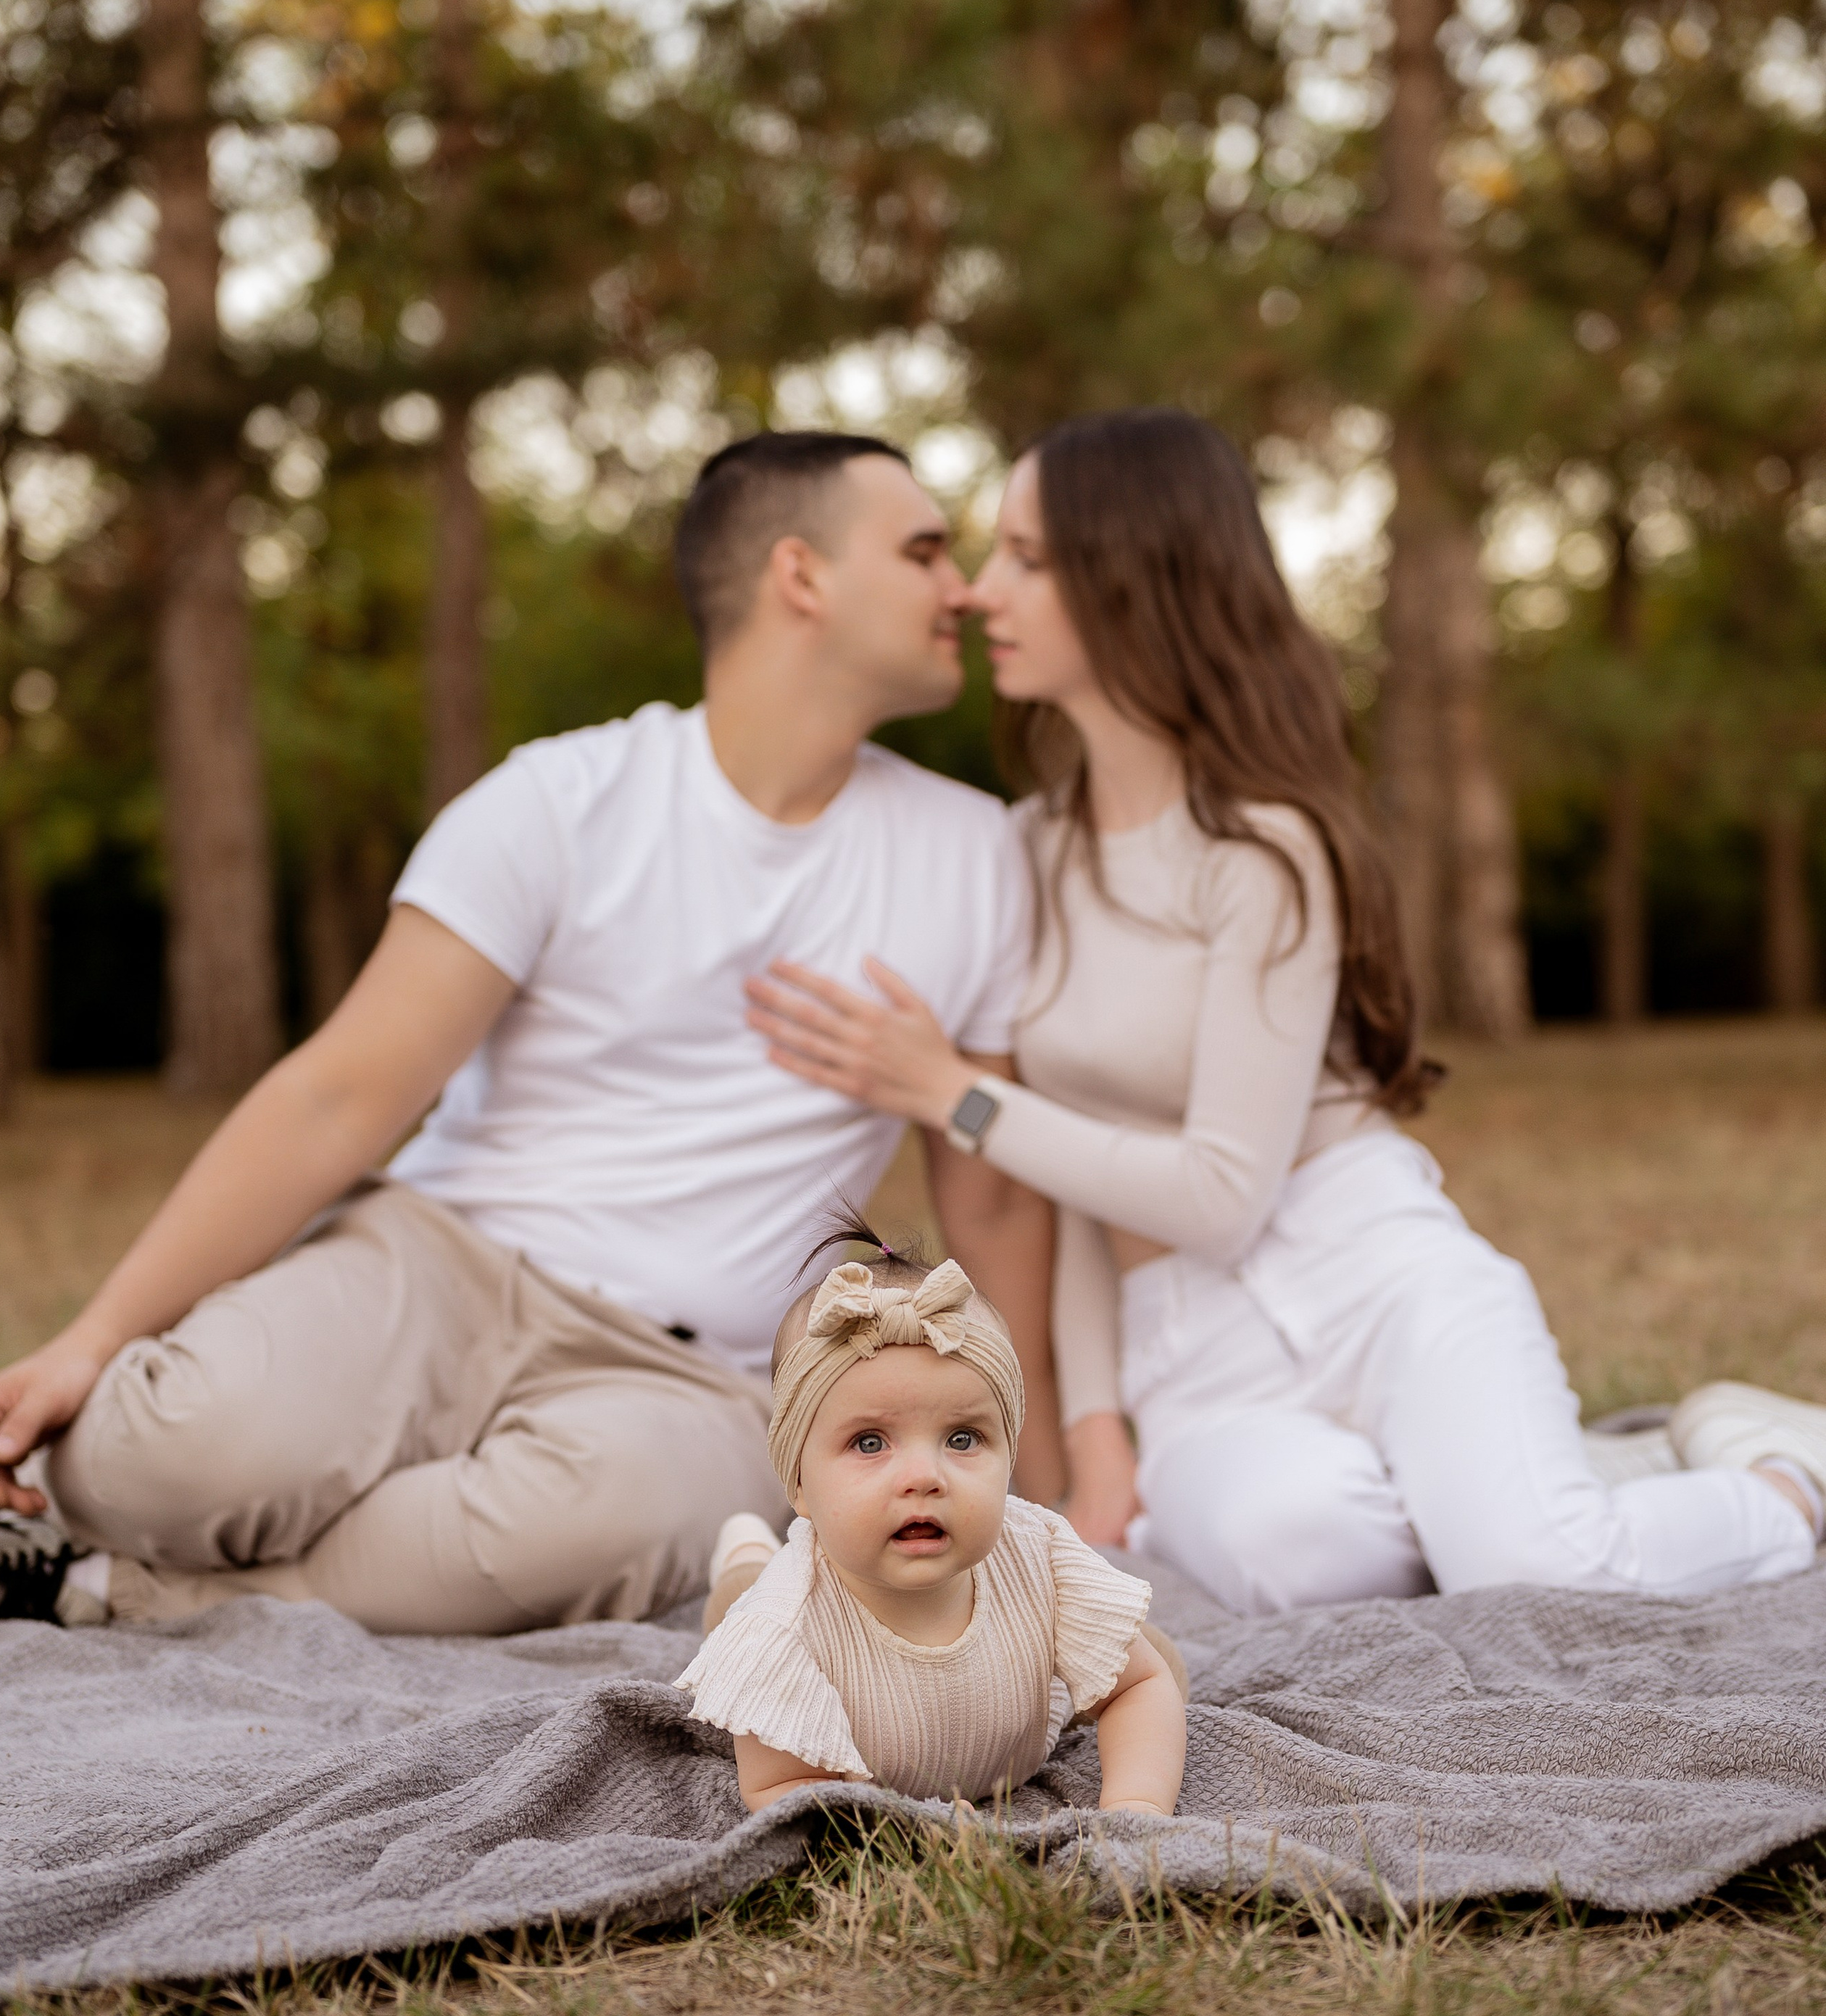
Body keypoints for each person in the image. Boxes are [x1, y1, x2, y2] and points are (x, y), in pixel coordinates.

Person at [0, 431, 1060, 1633]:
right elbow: (338, 1096)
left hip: (690, 1375)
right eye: (924, 551)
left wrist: (1033, 1485)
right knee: (158, 1455)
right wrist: (96, 1336)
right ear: (801, 575)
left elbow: (993, 1207)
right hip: (444, 1265)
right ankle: (111, 1513)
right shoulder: (558, 800)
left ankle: (109, 1586)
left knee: (614, 1524)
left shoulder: (980, 856)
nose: (962, 588)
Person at [744, 407, 1826, 1617]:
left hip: (1371, 1267)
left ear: (1136, 580)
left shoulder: (1266, 851)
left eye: (1029, 558)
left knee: (1536, 1575)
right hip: (1187, 1349)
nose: (985, 593)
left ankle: (1788, 1479)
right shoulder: (1027, 852)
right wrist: (1098, 1428)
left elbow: (1221, 1189)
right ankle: (1561, 1478)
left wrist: (953, 1094)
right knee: (1309, 1559)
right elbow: (1077, 1200)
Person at [677, 1235, 1186, 1815]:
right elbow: (779, 1787)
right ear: (798, 1483)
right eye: (870, 1442)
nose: (924, 1476)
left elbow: (1139, 1689)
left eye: (962, 1439)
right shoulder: (781, 1631)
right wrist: (901, 1829)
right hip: (781, 1612)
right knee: (737, 1609)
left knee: (1157, 1666)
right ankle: (745, 1551)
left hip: (1016, 1722)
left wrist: (1136, 1805)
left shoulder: (1041, 1557)